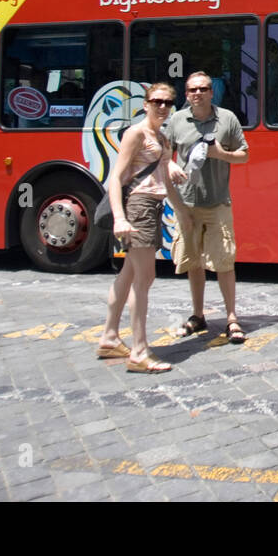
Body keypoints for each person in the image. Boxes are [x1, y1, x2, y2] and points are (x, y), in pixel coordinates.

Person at [98, 83, 187, 373]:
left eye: (169, 103)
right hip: (139, 208)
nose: (163, 107)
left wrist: (183, 213)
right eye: (157, 101)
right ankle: (138, 352)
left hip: (153, 207)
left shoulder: (161, 137)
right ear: (146, 103)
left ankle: (109, 337)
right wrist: (120, 218)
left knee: (130, 274)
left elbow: (164, 180)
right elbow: (116, 178)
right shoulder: (135, 133)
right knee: (144, 278)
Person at [166, 70, 250, 343]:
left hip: (217, 202)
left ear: (212, 92)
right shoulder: (176, 121)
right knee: (193, 261)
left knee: (225, 261)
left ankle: (231, 318)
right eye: (192, 90)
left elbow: (243, 156)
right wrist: (170, 165)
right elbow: (164, 156)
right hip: (187, 203)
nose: (198, 93)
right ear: (187, 94)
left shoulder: (227, 119)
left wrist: (220, 154)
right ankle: (198, 314)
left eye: (203, 88)